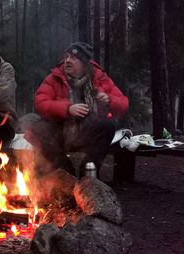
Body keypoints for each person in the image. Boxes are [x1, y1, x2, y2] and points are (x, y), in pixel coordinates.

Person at [25, 42, 128, 177]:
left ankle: (88, 173)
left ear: (84, 62)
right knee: (35, 130)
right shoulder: (55, 77)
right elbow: (40, 102)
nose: (67, 61)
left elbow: (123, 104)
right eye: (66, 57)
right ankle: (65, 171)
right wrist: (67, 109)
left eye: (73, 58)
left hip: (87, 130)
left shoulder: (99, 78)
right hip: (60, 128)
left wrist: (109, 100)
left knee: (107, 126)